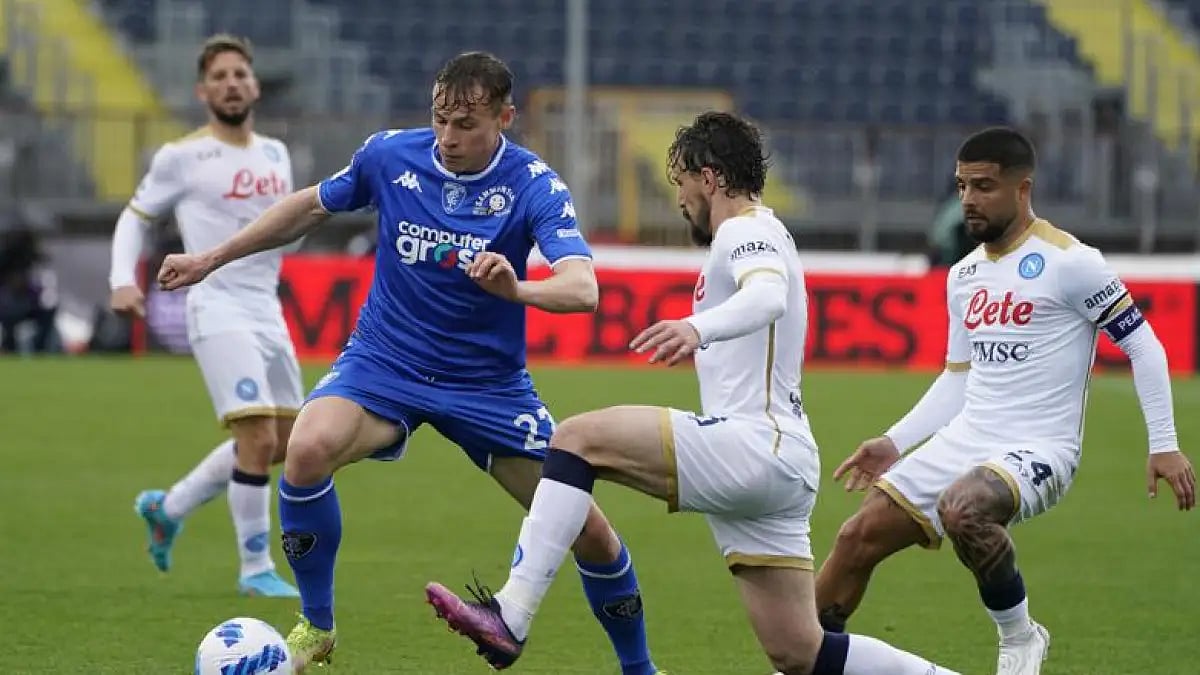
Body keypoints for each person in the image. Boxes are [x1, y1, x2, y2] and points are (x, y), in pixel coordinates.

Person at [155, 51, 661, 674]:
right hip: (385, 361)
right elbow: (311, 205)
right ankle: (316, 627)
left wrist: (517, 290)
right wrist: (211, 257)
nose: (448, 137)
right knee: (308, 447)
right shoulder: (391, 156)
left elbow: (584, 289)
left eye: (466, 125)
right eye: (440, 119)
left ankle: (640, 670)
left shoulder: (534, 184)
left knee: (589, 530)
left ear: (504, 117)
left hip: (487, 386)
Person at [425, 111, 960, 675]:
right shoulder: (757, 232)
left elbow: (769, 297)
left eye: (681, 184)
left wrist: (695, 328)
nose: (679, 200)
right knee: (801, 652)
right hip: (782, 462)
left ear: (709, 178)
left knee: (577, 439)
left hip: (757, 445)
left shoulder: (743, 229)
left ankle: (511, 614)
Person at [813, 127, 1195, 675]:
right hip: (966, 436)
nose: (968, 198)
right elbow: (956, 379)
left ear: (1022, 189)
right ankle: (801, 660)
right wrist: (894, 441)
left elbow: (1144, 345)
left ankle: (1019, 635)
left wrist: (1165, 444)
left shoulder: (1071, 262)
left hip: (1040, 448)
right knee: (855, 538)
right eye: (962, 185)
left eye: (984, 186)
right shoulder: (964, 275)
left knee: (962, 509)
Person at [109, 34, 301, 598]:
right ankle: (255, 568)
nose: (231, 83)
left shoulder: (276, 154)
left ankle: (168, 508)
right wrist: (123, 279)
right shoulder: (182, 157)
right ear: (202, 91)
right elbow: (134, 217)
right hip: (216, 304)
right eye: (219, 77)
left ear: (255, 85)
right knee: (258, 433)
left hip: (266, 306)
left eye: (240, 73)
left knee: (286, 440)